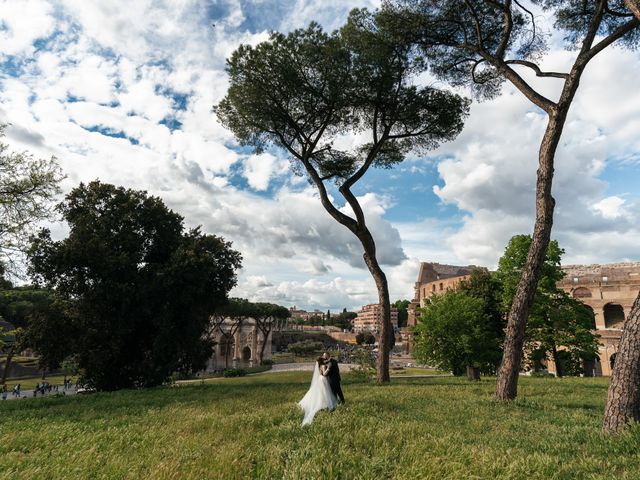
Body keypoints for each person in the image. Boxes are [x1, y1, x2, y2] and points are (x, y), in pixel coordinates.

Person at [298, 356, 337, 426]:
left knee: (321, 392)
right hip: (323, 379)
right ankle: (325, 403)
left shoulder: (319, 365)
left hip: (320, 379)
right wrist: (329, 368)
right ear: (322, 360)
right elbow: (324, 374)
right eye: (323, 359)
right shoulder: (323, 366)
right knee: (324, 392)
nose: (325, 359)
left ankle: (323, 402)